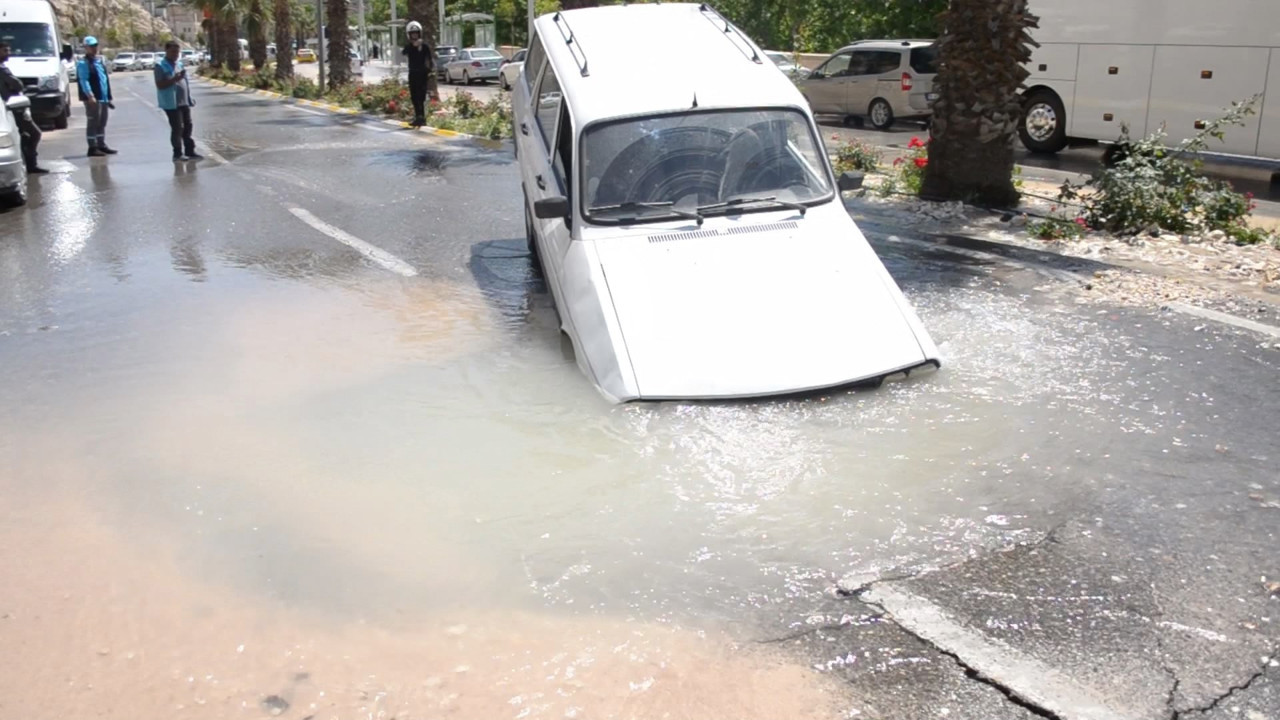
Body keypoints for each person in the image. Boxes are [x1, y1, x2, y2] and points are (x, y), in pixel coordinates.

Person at [0, 41, 48, 174]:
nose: (8, 53)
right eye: (5, 50)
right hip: (12, 108)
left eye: (8, 50)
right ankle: (30, 163)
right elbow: (17, 84)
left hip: (9, 107)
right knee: (34, 133)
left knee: (23, 135)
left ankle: (27, 161)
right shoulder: (2, 70)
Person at [154, 41, 202, 161]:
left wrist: (189, 98)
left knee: (188, 126)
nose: (175, 54)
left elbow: (184, 82)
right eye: (173, 51)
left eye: (177, 52)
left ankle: (190, 151)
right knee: (177, 128)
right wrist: (174, 79)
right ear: (166, 51)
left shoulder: (179, 64)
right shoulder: (160, 65)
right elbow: (160, 84)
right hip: (171, 103)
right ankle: (177, 153)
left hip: (184, 101)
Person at [76, 37, 116, 157]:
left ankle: (101, 144)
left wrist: (108, 97)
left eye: (95, 46)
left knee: (102, 122)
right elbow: (84, 80)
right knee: (93, 122)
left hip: (102, 97)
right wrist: (90, 95)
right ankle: (92, 147)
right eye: (91, 46)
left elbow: (104, 80)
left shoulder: (99, 62)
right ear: (86, 48)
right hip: (93, 98)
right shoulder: (83, 63)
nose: (94, 48)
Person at [401, 21, 433, 127]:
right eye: (412, 33)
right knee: (414, 96)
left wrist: (429, 72)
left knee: (421, 96)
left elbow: (430, 59)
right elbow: (404, 52)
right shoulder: (409, 47)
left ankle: (422, 117)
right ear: (409, 34)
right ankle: (417, 116)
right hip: (413, 74)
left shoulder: (424, 46)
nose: (414, 35)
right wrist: (413, 46)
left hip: (422, 74)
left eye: (416, 33)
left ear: (420, 33)